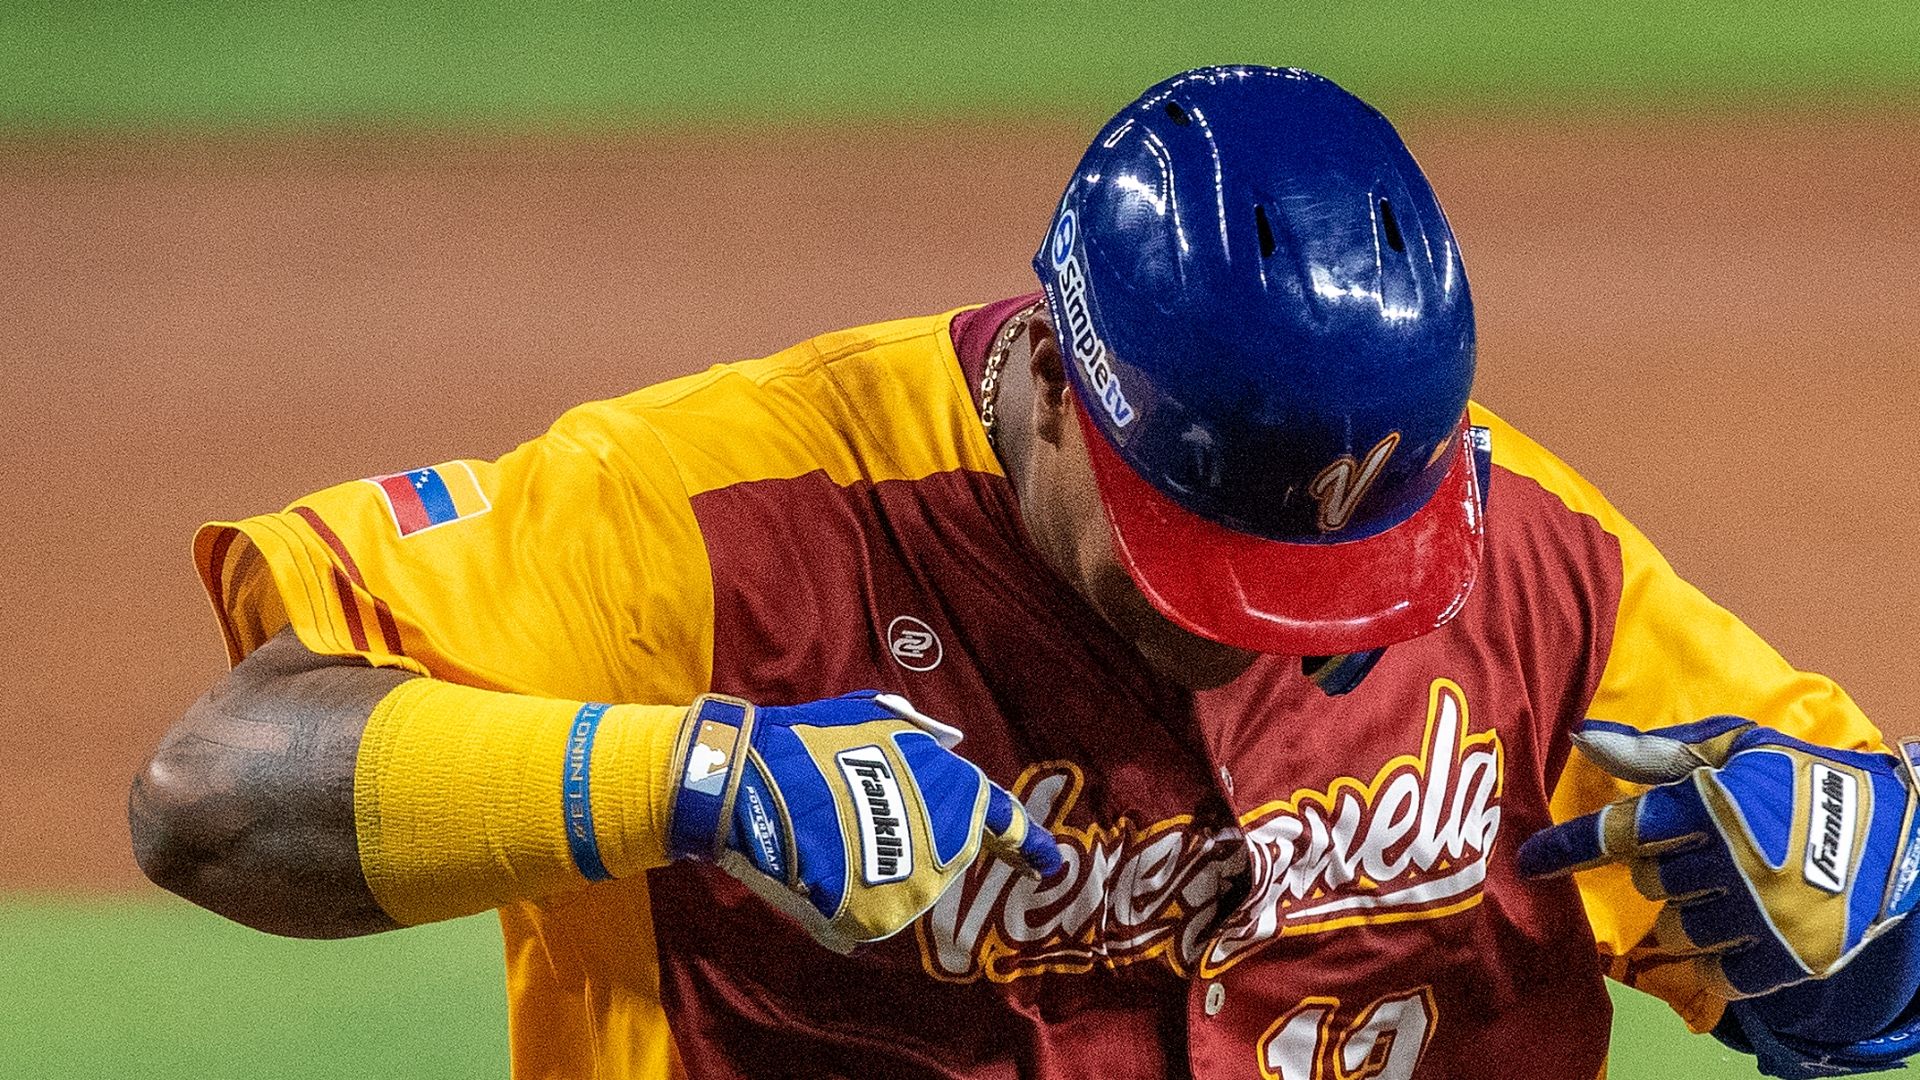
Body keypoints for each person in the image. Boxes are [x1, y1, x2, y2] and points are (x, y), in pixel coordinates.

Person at [129, 66, 1920, 1079]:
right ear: (1054, 386)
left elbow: (1848, 945)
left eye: (1341, 585)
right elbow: (209, 796)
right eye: (1195, 564)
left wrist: (1866, 951)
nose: (1248, 644)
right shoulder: (720, 514)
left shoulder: (1527, 549)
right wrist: (685, 777)